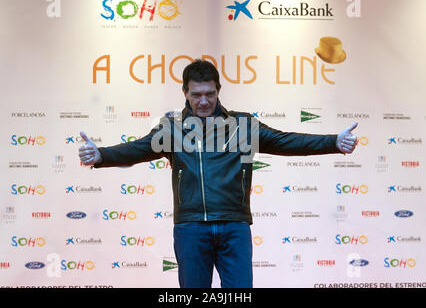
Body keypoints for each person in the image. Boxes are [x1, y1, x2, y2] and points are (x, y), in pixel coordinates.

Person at [78, 59, 358, 288]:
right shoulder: (172, 128)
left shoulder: (243, 125)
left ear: (218, 91)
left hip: (234, 227)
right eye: (196, 94)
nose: (203, 101)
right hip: (190, 229)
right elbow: (138, 149)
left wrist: (334, 142)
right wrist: (101, 154)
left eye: (209, 94)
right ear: (185, 93)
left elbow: (288, 141)